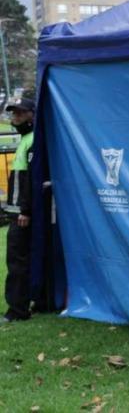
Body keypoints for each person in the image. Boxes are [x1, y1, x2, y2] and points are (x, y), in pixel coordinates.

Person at [3, 97, 35, 322]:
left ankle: (17, 311)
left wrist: (24, 210)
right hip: (17, 212)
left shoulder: (32, 140)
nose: (16, 117)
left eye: (21, 113)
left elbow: (30, 180)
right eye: (14, 114)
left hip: (21, 215)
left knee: (16, 261)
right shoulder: (25, 139)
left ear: (32, 114)